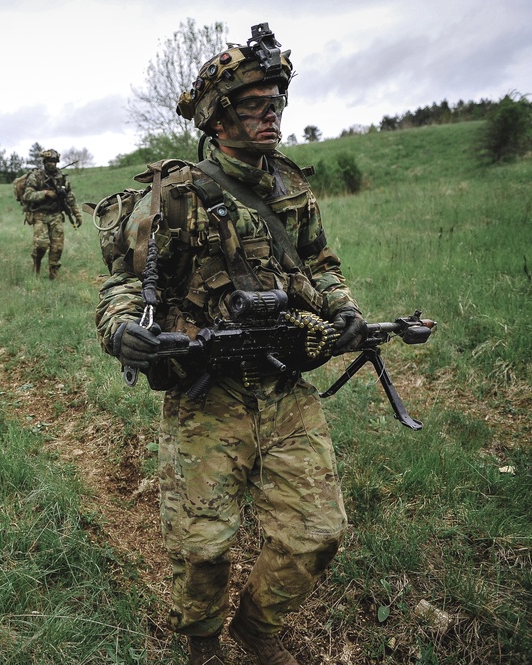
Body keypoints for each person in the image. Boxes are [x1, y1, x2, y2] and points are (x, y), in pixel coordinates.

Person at [95, 23, 369, 665]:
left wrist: (344, 310)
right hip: (207, 392)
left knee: (316, 533)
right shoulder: (176, 195)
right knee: (202, 548)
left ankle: (257, 628)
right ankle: (201, 643)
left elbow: (319, 261)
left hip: (284, 384)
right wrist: (121, 329)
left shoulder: (292, 186)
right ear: (219, 116)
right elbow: (126, 285)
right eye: (254, 104)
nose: (271, 114)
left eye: (276, 103)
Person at [21, 148, 83, 279]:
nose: (52, 164)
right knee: (41, 244)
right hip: (39, 214)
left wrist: (77, 214)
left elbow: (70, 197)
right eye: (49, 161)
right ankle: (36, 263)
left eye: (54, 161)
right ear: (44, 161)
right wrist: (45, 194)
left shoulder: (62, 178)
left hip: (56, 215)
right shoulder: (36, 176)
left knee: (57, 245)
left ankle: (53, 271)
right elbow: (27, 195)